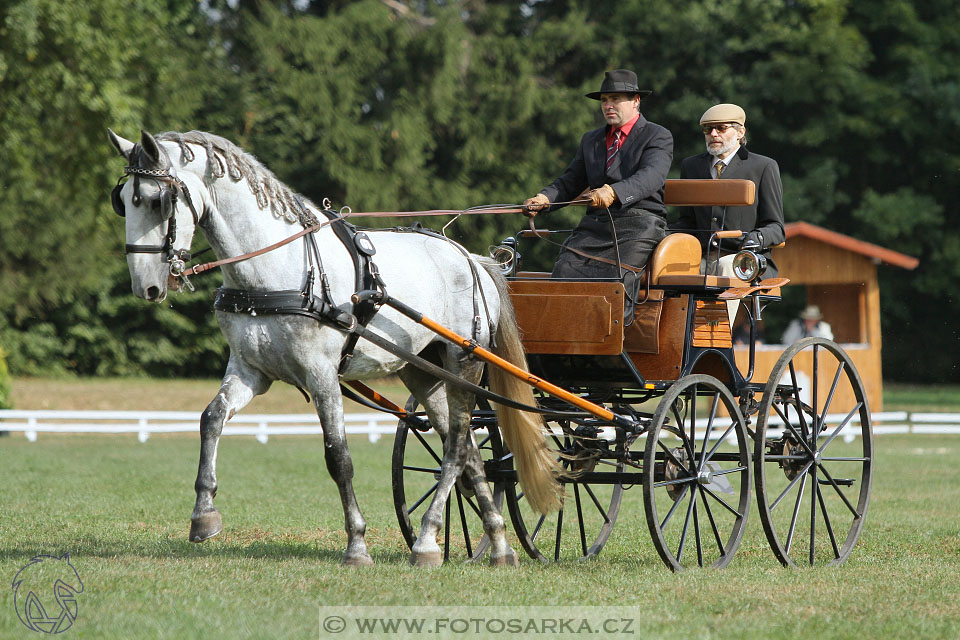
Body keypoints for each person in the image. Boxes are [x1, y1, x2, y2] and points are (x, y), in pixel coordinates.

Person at [523, 69, 673, 280]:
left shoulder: (657, 135)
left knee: (616, 279)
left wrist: (614, 192)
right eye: (604, 100)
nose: (608, 105)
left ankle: (620, 315)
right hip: (595, 227)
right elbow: (571, 181)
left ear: (635, 101)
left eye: (615, 99)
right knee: (563, 272)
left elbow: (651, 176)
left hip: (639, 225)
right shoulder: (591, 140)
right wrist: (544, 198)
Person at [675, 103, 785, 278]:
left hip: (744, 259)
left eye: (721, 128)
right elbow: (687, 221)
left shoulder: (763, 167)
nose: (713, 134)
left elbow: (776, 228)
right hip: (699, 257)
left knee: (727, 267)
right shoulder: (691, 166)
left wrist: (755, 239)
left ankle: (721, 307)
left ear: (740, 133)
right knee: (671, 266)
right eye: (708, 129)